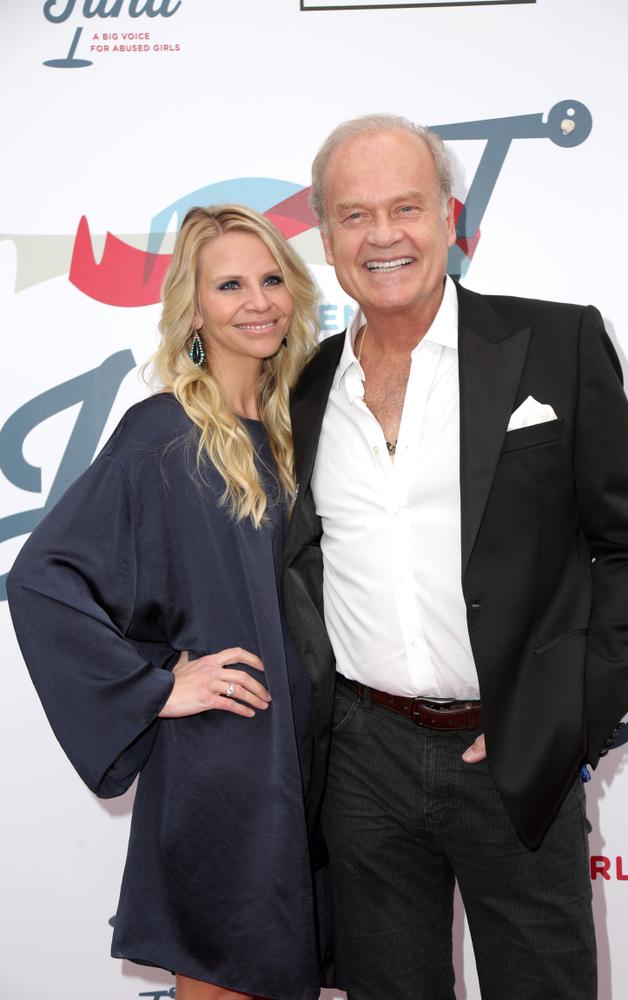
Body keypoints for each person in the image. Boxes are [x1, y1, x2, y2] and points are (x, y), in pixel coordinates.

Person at [282, 113, 628, 1000]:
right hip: (362, 762)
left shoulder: (557, 344)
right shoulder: (303, 385)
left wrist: (567, 719)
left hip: (512, 753)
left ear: (448, 218)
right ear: (325, 237)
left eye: (405, 207)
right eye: (354, 215)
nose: (382, 235)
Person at [7, 205, 323, 1000]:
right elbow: (43, 578)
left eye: (270, 278)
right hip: (227, 761)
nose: (257, 301)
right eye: (229, 285)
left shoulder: (308, 427)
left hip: (325, 757)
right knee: (223, 980)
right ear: (195, 310)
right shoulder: (163, 432)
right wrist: (154, 688)